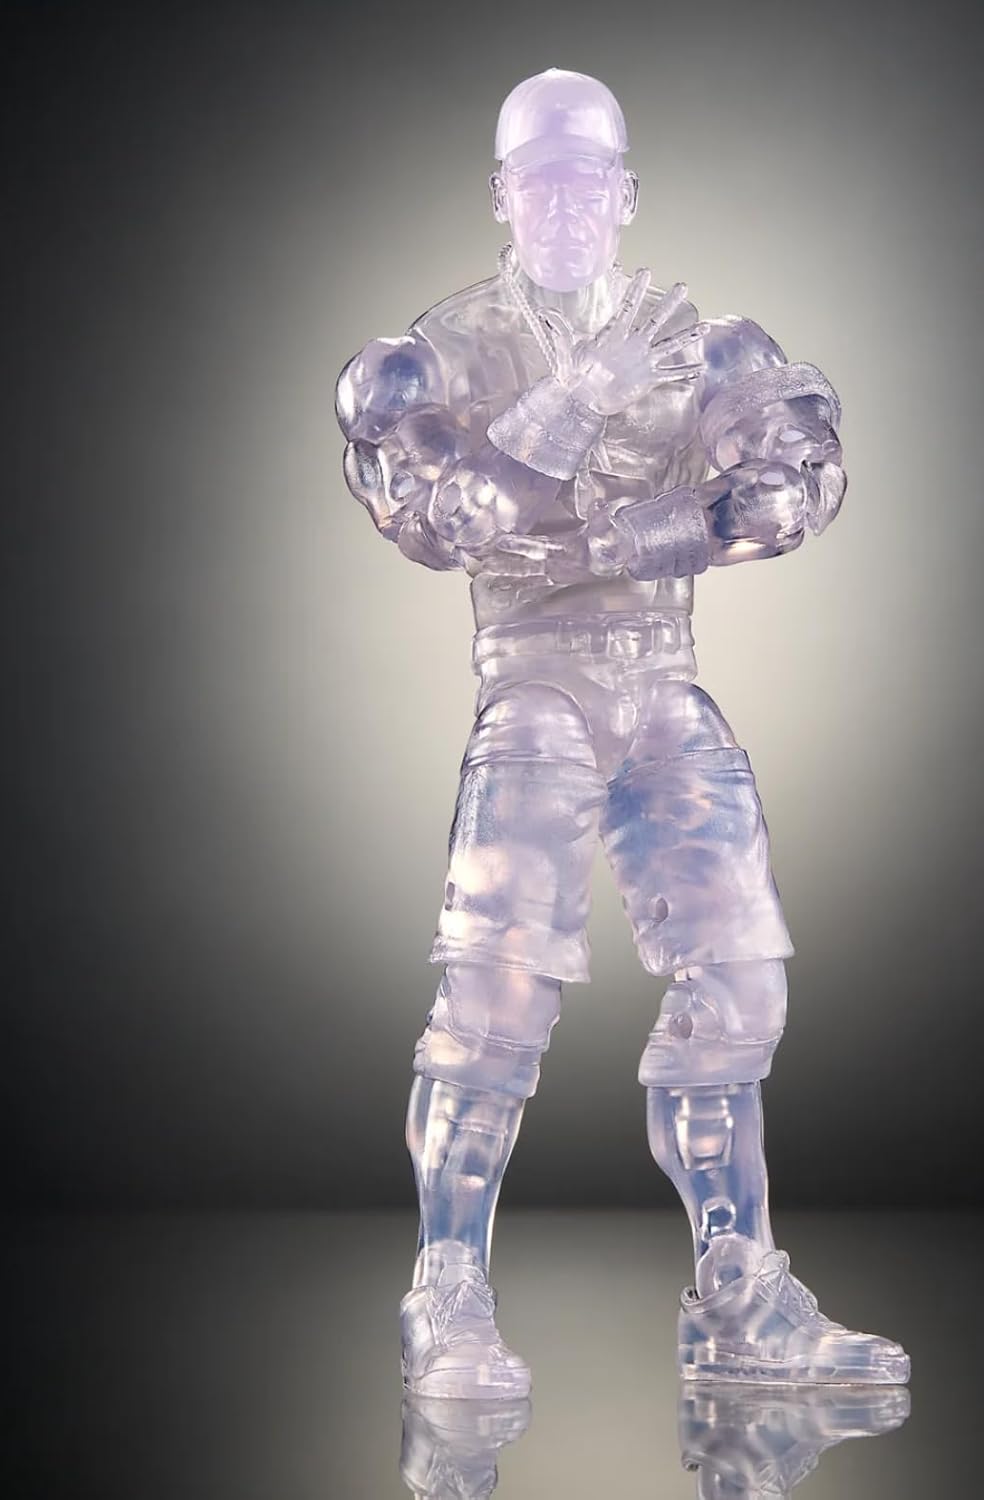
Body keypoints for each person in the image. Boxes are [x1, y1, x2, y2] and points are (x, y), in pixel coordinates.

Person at [335, 68, 909, 1399]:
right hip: (532, 691)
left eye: (589, 182)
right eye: (543, 183)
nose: (568, 207)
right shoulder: (439, 354)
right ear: (502, 197)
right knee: (494, 993)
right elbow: (446, 519)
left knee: (743, 981)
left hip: (660, 680)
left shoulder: (698, 341)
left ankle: (738, 1290)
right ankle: (447, 1288)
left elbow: (796, 479)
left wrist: (656, 533)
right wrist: (579, 396)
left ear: (626, 193)